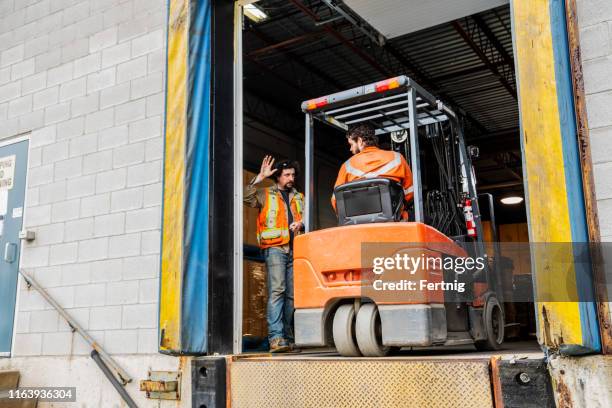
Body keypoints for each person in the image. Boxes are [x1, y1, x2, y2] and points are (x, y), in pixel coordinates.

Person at [244, 156, 305, 353]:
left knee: (292, 296)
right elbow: (245, 197)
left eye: (293, 175)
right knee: (277, 291)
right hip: (275, 249)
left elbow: (306, 218)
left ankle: (287, 337)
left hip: (295, 248)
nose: (291, 178)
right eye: (287, 175)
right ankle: (276, 338)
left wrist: (302, 224)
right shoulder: (265, 194)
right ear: (278, 177)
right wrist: (260, 177)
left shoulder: (299, 197)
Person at [332, 123, 414, 216]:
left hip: (357, 222)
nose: (350, 149)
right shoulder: (397, 158)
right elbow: (410, 192)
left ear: (359, 141)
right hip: (392, 219)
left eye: (351, 144)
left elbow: (336, 201)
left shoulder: (346, 166)